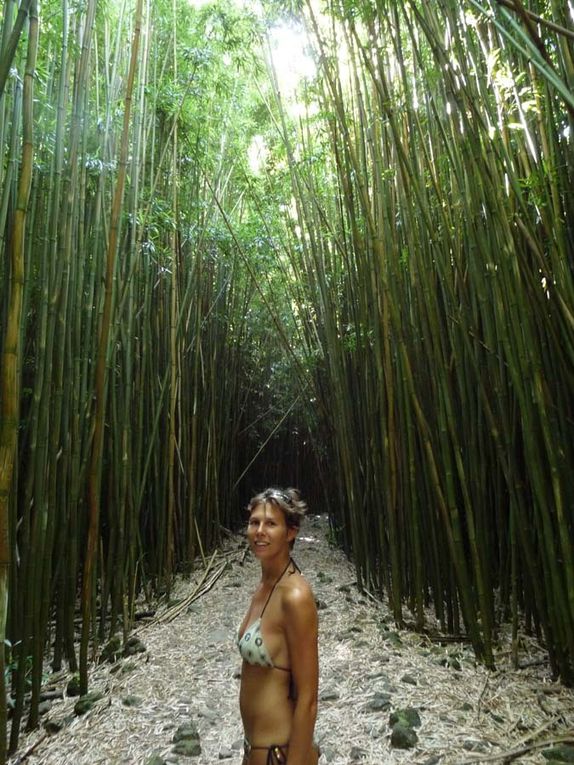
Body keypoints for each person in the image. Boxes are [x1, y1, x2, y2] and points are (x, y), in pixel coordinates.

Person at [237, 487, 319, 765]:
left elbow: (308, 698)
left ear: (291, 532)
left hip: (280, 755)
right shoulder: (264, 586)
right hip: (255, 752)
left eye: (271, 523)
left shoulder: (295, 596)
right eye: (254, 522)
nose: (259, 530)